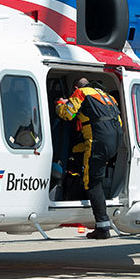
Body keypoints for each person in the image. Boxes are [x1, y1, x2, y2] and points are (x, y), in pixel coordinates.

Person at [56, 78, 123, 239]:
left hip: (98, 142)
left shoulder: (80, 93)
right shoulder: (107, 96)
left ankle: (102, 226)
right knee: (79, 155)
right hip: (115, 142)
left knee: (91, 182)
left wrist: (59, 103)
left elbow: (67, 114)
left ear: (76, 87)